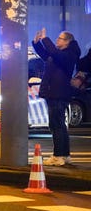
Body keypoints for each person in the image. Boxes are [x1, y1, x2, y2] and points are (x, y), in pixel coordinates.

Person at [32, 28, 81, 166]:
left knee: (57, 125)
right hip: (54, 93)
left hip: (58, 93)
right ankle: (64, 155)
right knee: (58, 124)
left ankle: (59, 155)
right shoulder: (60, 55)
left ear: (67, 42)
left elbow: (53, 53)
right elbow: (46, 55)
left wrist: (45, 39)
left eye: (60, 38)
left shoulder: (69, 55)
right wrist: (37, 43)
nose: (57, 40)